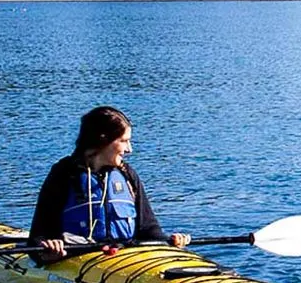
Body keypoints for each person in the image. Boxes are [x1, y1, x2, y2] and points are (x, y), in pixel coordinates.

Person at [30, 106, 189, 260]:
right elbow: (38, 236)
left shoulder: (127, 175)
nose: (129, 149)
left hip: (124, 257)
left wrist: (169, 242)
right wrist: (48, 251)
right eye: (124, 141)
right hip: (75, 257)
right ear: (103, 139)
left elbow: (148, 228)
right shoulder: (63, 174)